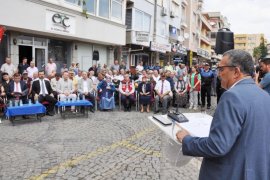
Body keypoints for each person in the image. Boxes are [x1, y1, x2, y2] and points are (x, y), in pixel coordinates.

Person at [176, 49, 270, 180]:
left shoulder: (232, 96)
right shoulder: (265, 96)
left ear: (236, 72)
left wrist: (187, 139)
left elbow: (217, 145)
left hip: (232, 173)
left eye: (221, 69)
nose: (218, 74)